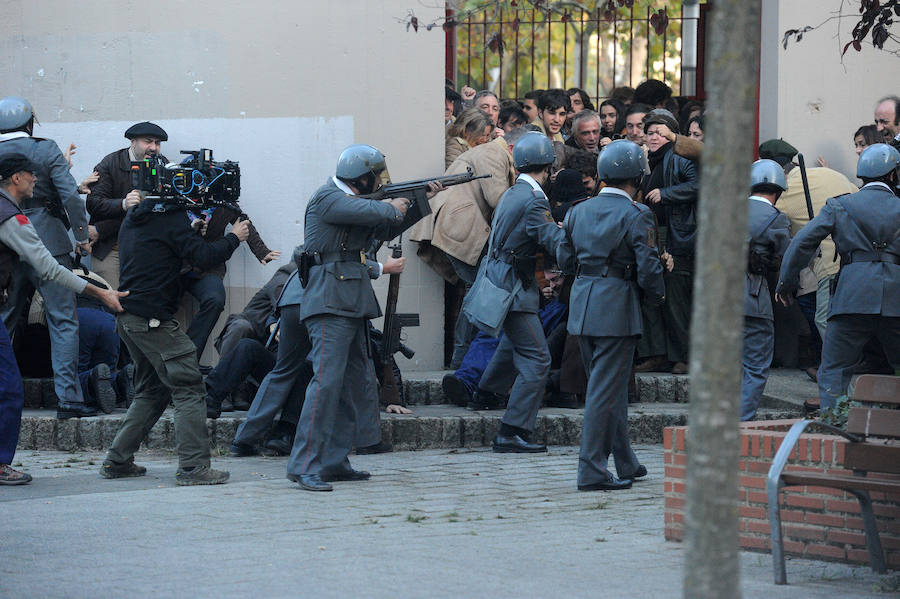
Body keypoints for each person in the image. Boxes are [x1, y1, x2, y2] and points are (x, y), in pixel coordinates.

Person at [285, 144, 442, 491]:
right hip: (329, 300)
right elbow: (384, 215)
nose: (380, 182)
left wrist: (418, 201)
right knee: (325, 384)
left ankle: (334, 461)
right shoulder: (328, 197)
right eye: (376, 176)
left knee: (354, 383)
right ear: (363, 177)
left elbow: (386, 228)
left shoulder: (357, 204)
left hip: (350, 300)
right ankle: (304, 464)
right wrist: (395, 204)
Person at [99, 178, 252, 486]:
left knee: (153, 391)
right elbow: (205, 258)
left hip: (130, 317)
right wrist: (234, 237)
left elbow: (163, 246)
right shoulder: (169, 218)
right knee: (190, 387)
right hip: (152, 320)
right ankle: (194, 468)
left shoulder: (137, 215)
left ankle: (117, 461)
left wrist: (187, 231)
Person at [0, 153, 125, 485]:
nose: (35, 180)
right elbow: (50, 268)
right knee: (10, 389)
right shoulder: (12, 217)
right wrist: (99, 292)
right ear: (15, 179)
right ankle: (0, 463)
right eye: (31, 175)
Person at [556, 140, 665, 491]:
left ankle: (626, 461)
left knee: (609, 390)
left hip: (583, 305)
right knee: (604, 393)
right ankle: (592, 470)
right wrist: (655, 294)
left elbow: (564, 260)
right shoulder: (637, 214)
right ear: (636, 176)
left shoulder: (577, 211)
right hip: (616, 306)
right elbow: (648, 269)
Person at [776, 143, 900, 410]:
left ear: (862, 176)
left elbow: (801, 243)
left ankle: (835, 426)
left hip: (850, 297)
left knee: (834, 368)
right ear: (893, 175)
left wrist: (786, 283)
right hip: (896, 299)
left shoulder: (840, 205)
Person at [465, 132, 565, 453]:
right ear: (548, 167)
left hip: (501, 281)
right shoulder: (535, 199)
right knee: (538, 359)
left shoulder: (512, 192)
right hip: (514, 289)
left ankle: (487, 393)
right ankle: (512, 430)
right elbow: (552, 239)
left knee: (514, 343)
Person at [0, 96, 95, 419]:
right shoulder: (45, 148)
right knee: (63, 320)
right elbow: (70, 195)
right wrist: (81, 236)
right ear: (29, 123)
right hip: (50, 241)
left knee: (6, 320)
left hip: (5, 247)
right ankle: (68, 400)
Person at [642, 109, 699, 374]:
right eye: (650, 132)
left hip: (679, 236)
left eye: (659, 133)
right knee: (656, 295)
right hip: (657, 235)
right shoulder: (648, 160)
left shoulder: (681, 157)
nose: (653, 137)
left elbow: (702, 184)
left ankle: (684, 356)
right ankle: (660, 353)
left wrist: (667, 194)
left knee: (677, 297)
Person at [86, 121, 169, 290]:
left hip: (145, 246)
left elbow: (153, 216)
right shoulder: (110, 163)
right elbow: (93, 203)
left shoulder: (162, 165)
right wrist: (123, 204)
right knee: (112, 299)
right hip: (111, 246)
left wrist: (101, 229)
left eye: (157, 143)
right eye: (148, 141)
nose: (153, 147)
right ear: (133, 142)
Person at [740, 160, 791, 421]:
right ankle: (738, 424)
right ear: (778, 191)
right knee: (755, 365)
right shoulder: (777, 218)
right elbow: (787, 258)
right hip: (753, 296)